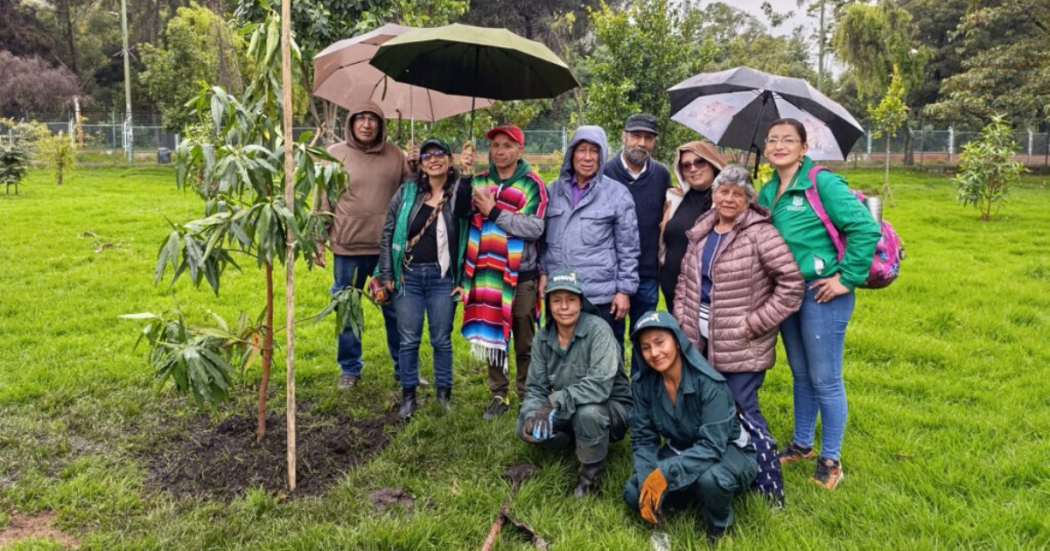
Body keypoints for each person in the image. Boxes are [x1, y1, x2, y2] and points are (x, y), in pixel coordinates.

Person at [756, 118, 881, 489]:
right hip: (786, 293)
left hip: (822, 292)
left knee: (825, 378)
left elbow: (865, 227)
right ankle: (802, 444)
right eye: (772, 140)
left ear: (803, 148)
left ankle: (831, 459)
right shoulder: (768, 190)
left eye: (788, 140)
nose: (779, 146)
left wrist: (846, 278)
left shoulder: (820, 182)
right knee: (801, 372)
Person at [673, 165, 804, 433]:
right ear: (714, 194)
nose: (729, 199)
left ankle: (762, 457)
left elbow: (792, 285)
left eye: (738, 194)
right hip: (699, 337)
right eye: (724, 192)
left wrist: (756, 323)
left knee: (741, 407)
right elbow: (685, 279)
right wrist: (682, 319)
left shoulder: (761, 234)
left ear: (749, 200)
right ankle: (720, 456)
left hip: (740, 340)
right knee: (707, 404)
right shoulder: (702, 229)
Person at [623, 311, 757, 542]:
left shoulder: (710, 383)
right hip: (682, 450)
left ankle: (719, 528)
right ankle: (687, 497)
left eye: (660, 342)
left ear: (677, 341)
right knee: (634, 492)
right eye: (646, 347)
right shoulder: (642, 384)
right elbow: (643, 439)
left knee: (711, 479)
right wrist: (648, 479)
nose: (654, 353)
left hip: (727, 450)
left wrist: (665, 473)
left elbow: (712, 446)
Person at [458, 125, 549, 420]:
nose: (499, 151)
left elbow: (535, 228)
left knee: (524, 338)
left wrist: (494, 212)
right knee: (492, 334)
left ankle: (527, 393)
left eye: (507, 146)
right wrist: (464, 176)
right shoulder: (480, 181)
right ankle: (499, 393)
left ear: (519, 149)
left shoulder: (532, 185)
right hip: (487, 273)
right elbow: (461, 214)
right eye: (495, 145)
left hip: (521, 275)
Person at [517, 269, 633, 497]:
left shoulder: (599, 330)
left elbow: (600, 385)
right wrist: (532, 413)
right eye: (556, 300)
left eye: (570, 300)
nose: (564, 307)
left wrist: (554, 401)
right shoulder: (542, 338)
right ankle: (570, 441)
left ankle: (589, 481)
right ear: (549, 304)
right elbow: (536, 388)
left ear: (581, 302)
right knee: (524, 424)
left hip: (610, 408)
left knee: (588, 414)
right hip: (568, 406)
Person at [378, 138, 470, 420]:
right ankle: (408, 397)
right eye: (427, 156)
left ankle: (443, 396)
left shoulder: (459, 191)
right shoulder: (407, 192)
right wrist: (387, 272)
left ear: (450, 160)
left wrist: (467, 176)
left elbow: (467, 219)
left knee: (441, 339)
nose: (433, 159)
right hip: (409, 277)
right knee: (408, 340)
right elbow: (389, 231)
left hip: (443, 278)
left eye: (440, 153)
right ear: (420, 163)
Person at [320, 101, 410, 390]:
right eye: (361, 118)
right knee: (348, 310)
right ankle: (349, 368)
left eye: (373, 119)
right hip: (348, 248)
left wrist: (416, 165)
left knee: (395, 310)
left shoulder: (395, 155)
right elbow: (323, 199)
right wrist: (318, 240)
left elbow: (413, 194)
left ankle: (404, 368)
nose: (367, 124)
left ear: (381, 125)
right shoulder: (334, 154)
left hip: (387, 251)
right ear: (351, 123)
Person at [541, 126, 639, 361]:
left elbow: (629, 247)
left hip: (600, 297)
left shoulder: (617, 194)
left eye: (594, 151)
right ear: (571, 154)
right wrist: (543, 272)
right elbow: (543, 240)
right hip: (561, 293)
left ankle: (611, 388)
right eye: (581, 150)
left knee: (605, 357)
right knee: (561, 357)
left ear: (602, 156)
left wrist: (624, 291)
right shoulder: (552, 191)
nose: (587, 157)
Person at [602, 114, 672, 375]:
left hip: (647, 273)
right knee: (611, 337)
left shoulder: (661, 175)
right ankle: (616, 388)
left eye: (648, 138)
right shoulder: (605, 173)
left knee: (644, 336)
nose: (641, 143)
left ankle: (641, 390)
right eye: (636, 136)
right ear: (624, 136)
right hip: (610, 273)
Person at [660, 141, 726, 313]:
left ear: (712, 164)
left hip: (706, 295)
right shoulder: (674, 198)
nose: (693, 168)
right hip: (671, 290)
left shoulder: (727, 201)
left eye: (699, 162)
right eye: (686, 165)